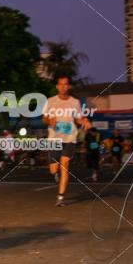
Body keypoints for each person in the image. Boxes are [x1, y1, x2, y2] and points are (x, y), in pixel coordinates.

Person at [43, 76, 88, 207]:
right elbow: (44, 118)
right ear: (57, 86)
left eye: (66, 84)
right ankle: (55, 174)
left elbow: (78, 119)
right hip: (54, 138)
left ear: (69, 87)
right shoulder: (50, 101)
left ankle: (60, 197)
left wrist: (84, 121)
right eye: (60, 84)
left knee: (64, 164)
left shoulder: (75, 102)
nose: (63, 86)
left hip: (69, 138)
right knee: (53, 169)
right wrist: (49, 121)